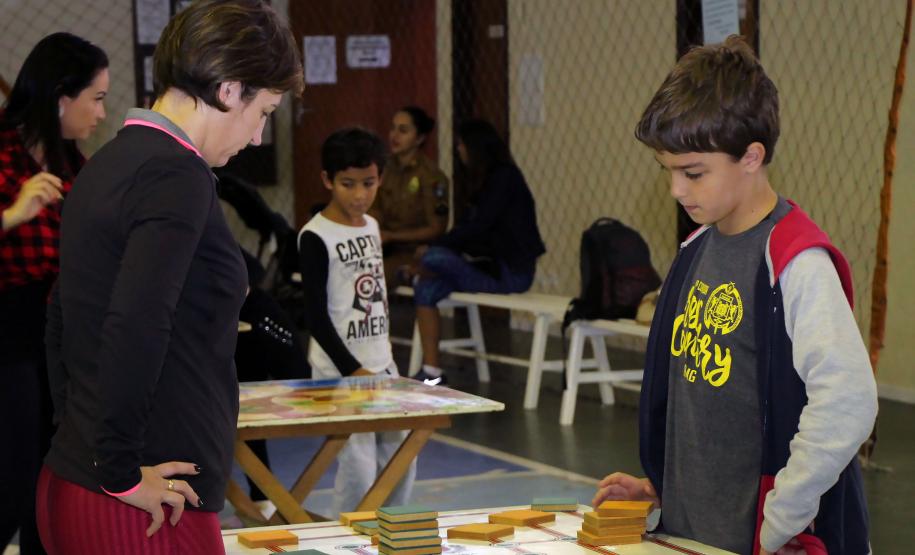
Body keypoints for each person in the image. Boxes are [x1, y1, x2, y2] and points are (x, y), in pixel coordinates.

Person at [591, 36, 877, 555]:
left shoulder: (795, 261)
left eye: (692, 173)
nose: (677, 190)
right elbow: (708, 409)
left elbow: (849, 401)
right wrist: (661, 491)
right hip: (692, 533)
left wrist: (780, 520)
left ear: (751, 156)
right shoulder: (695, 251)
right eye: (668, 172)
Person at [37, 1, 303, 553]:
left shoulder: (110, 161)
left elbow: (61, 312)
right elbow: (136, 322)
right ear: (230, 90)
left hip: (85, 480)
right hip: (143, 505)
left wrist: (82, 439)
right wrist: (119, 469)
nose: (258, 137)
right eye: (265, 111)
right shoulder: (177, 174)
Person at [0, 32, 108, 555]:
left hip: (56, 337)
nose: (101, 114)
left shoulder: (73, 164)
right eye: (98, 98)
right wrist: (11, 215)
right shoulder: (2, 153)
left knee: (54, 478)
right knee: (13, 478)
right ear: (62, 96)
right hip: (6, 337)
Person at [297, 127, 415, 517]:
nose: (360, 194)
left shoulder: (372, 227)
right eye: (348, 184)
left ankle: (388, 532)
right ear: (328, 180)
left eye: (369, 183)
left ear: (380, 177)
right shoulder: (315, 236)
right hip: (340, 370)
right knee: (359, 466)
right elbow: (316, 317)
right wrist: (354, 370)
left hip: (382, 364)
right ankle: (346, 538)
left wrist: (382, 362)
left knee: (402, 456)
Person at [411, 119, 546, 384]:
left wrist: (436, 247)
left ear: (475, 147)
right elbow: (470, 231)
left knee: (433, 258)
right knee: (424, 288)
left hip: (509, 273)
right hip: (485, 266)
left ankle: (417, 269)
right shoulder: (484, 180)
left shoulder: (504, 178)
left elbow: (479, 228)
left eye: (461, 145)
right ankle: (432, 371)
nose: (458, 151)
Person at [369, 106, 449, 285]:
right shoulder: (384, 168)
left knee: (370, 280)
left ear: (419, 138)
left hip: (414, 252)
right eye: (393, 128)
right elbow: (376, 208)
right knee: (339, 270)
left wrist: (391, 236)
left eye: (403, 130)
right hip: (382, 247)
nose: (394, 136)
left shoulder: (432, 177)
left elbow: (436, 228)